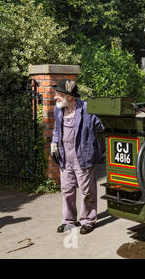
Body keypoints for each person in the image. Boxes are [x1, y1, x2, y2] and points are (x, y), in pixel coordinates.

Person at [50, 79, 104, 235]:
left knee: (87, 191)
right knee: (67, 190)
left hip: (83, 155)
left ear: (70, 97)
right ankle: (69, 220)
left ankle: (88, 220)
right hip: (65, 156)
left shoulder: (87, 109)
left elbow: (103, 124)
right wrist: (54, 144)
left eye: (58, 95)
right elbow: (56, 129)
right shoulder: (58, 109)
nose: (55, 98)